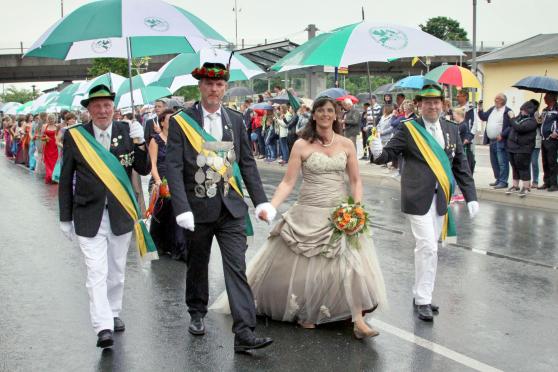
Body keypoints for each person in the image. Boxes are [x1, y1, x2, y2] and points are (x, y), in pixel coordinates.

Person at [212, 96, 387, 338]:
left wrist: (355, 209)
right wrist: (271, 206)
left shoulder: (346, 144)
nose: (326, 115)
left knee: (351, 265)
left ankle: (358, 319)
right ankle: (307, 311)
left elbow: (356, 181)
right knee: (307, 269)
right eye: (321, 111)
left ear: (336, 115)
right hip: (308, 210)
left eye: (330, 111)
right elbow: (287, 182)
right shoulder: (301, 145)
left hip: (340, 212)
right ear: (313, 115)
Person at [165, 62, 274, 352]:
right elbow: (173, 168)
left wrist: (261, 200)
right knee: (198, 263)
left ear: (224, 88)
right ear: (200, 86)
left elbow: (247, 165)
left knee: (237, 267)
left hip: (231, 209)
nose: (214, 89)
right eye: (209, 84)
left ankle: (244, 332)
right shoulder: (181, 121)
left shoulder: (235, 120)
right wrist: (181, 207)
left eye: (219, 85)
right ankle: (197, 311)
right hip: (196, 208)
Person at [370, 84, 479, 321]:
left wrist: (471, 196)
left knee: (432, 249)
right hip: (417, 198)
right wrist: (377, 150)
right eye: (427, 102)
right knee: (427, 246)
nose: (432, 106)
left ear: (442, 104)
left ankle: (422, 293)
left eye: (436, 102)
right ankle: (423, 300)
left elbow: (460, 164)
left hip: (441, 198)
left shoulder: (451, 128)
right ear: (419, 104)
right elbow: (388, 155)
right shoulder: (410, 129)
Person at [58, 84, 151, 348]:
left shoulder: (126, 131)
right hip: (88, 214)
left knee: (117, 269)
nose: (102, 110)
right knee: (96, 271)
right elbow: (66, 179)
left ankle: (113, 310)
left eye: (107, 105)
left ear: (114, 108)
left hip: (120, 212)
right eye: (97, 106)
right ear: (88, 109)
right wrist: (65, 217)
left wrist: (141, 142)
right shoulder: (76, 136)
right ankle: (103, 326)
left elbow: (143, 170)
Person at [147, 108, 187, 260]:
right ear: (162, 122)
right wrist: (158, 181)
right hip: (160, 179)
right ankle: (161, 245)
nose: (172, 122)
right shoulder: (155, 140)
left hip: (177, 179)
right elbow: (153, 164)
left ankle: (179, 247)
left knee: (179, 212)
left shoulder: (179, 139)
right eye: (169, 120)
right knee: (162, 213)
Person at [478, 93, 513, 189]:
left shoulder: (508, 111)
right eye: (495, 98)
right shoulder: (492, 109)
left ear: (503, 101)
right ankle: (498, 179)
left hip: (501, 140)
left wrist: (502, 134)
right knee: (494, 162)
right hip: (492, 140)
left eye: (498, 98)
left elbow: (511, 125)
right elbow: (483, 117)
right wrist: (480, 109)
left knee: (502, 162)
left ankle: (503, 181)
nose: (495, 100)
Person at [505, 101, 538, 197]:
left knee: (523, 167)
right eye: (521, 110)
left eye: (523, 110)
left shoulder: (532, 122)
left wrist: (511, 118)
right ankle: (515, 186)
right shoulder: (518, 118)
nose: (521, 112)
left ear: (528, 111)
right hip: (513, 147)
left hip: (524, 148)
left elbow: (519, 128)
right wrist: (512, 118)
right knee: (515, 166)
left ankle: (526, 186)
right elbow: (512, 124)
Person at [539, 92, 558, 192]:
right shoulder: (544, 110)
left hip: (552, 140)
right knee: (545, 162)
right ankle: (547, 182)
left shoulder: (557, 109)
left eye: (546, 97)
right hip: (544, 139)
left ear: (552, 98)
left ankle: (554, 184)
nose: (544, 99)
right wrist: (538, 118)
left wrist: (556, 132)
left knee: (552, 162)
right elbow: (541, 122)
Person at [42, 114, 59, 183]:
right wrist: (45, 139)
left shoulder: (57, 126)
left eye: (52, 119)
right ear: (48, 119)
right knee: (48, 162)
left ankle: (54, 176)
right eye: (50, 119)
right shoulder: (44, 126)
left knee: (54, 162)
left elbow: (58, 136)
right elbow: (42, 136)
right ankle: (49, 176)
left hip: (55, 146)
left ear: (54, 119)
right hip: (47, 146)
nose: (51, 120)